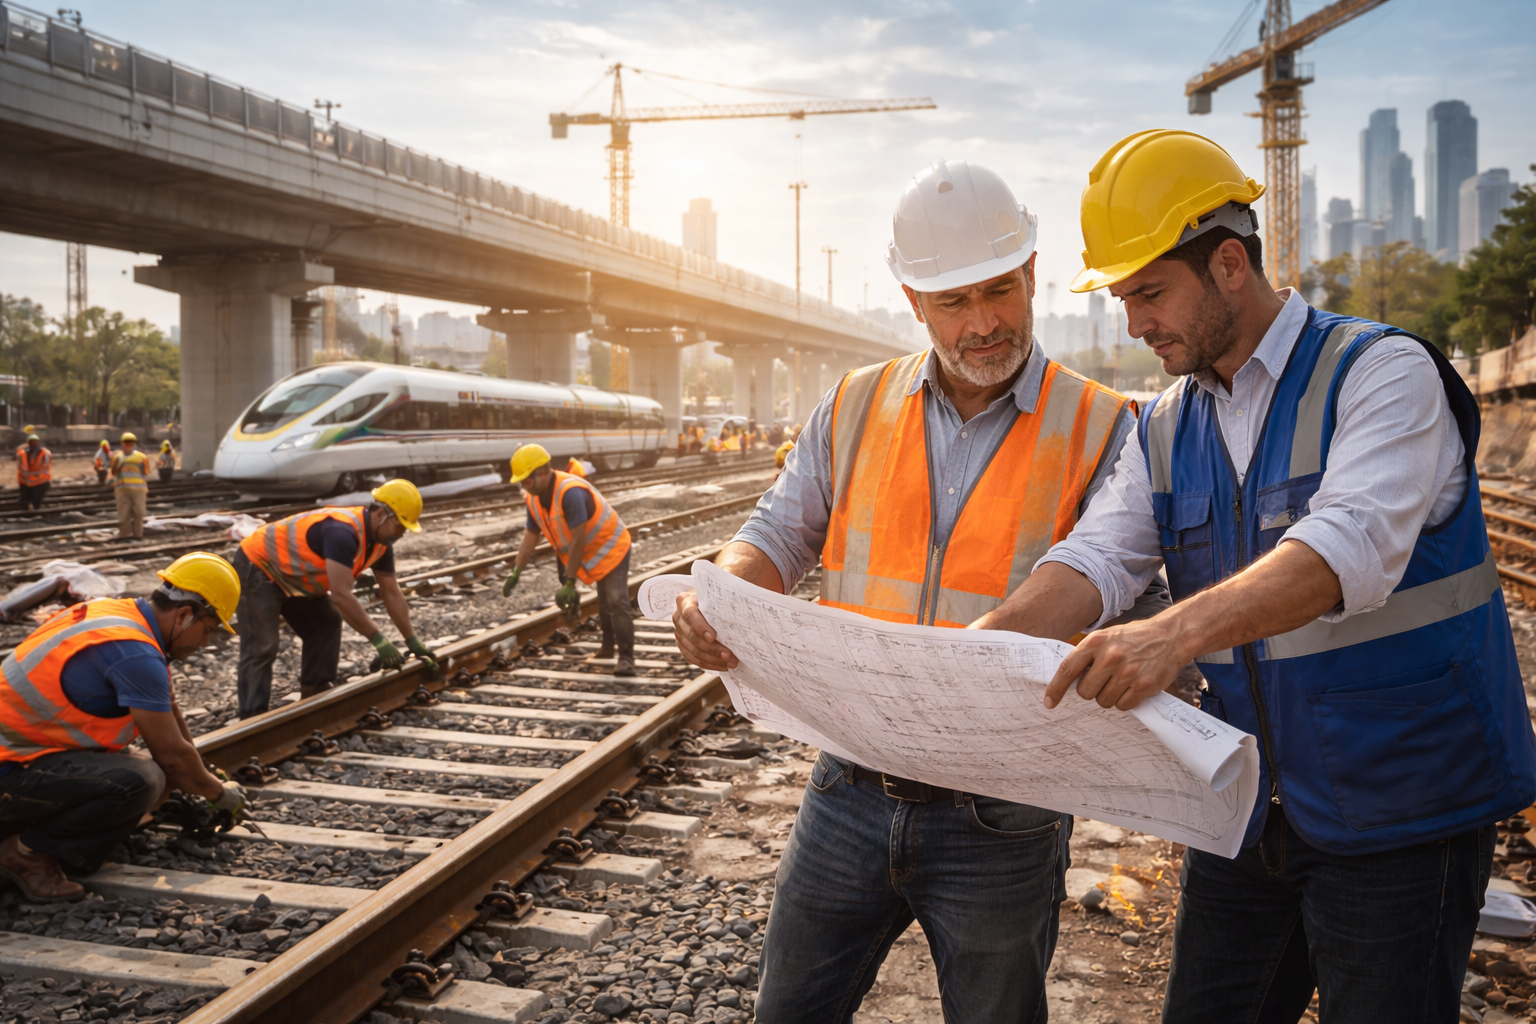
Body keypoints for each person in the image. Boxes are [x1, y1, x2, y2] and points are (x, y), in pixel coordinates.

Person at [985, 129, 1536, 1023]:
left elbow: (1345, 547)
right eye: (1123, 299)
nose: (1134, 323)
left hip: (1402, 807)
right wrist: (969, 652)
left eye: (1150, 293)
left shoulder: (1381, 374)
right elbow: (1097, 557)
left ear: (1230, 265)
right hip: (1249, 811)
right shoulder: (1167, 423)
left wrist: (1169, 636)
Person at [673, 160, 1144, 1023]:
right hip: (847, 789)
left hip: (1004, 811)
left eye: (999, 291)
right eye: (954, 301)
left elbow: (1118, 577)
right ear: (914, 301)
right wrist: (723, 596)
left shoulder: (1107, 426)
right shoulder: (854, 405)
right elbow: (776, 532)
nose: (984, 322)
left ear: (1032, 272)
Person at [0, 553, 246, 901]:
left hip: (21, 749)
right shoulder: (136, 655)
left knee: (145, 766)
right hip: (8, 766)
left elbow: (170, 714)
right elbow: (172, 757)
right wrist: (219, 794)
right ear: (184, 615)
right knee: (141, 780)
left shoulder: (116, 615)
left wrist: (203, 774)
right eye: (207, 630)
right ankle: (27, 855)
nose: (204, 643)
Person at [231, 479, 438, 718]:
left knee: (326, 621)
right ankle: (252, 718)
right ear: (381, 514)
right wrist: (379, 639)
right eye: (400, 526)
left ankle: (314, 695)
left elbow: (391, 592)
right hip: (259, 564)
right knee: (262, 645)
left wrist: (412, 640)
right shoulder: (342, 532)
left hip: (293, 574)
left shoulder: (381, 545)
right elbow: (341, 595)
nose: (401, 533)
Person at [502, 443, 636, 677]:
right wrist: (517, 571)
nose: (524, 487)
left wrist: (570, 582)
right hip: (593, 553)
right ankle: (607, 648)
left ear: (543, 472)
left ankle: (626, 658)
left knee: (616, 600)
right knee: (604, 601)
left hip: (612, 546)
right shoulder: (534, 499)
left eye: (527, 481)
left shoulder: (570, 492)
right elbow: (530, 536)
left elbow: (577, 541)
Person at [110, 432, 150, 540]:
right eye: (127, 442)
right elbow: (146, 473)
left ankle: (130, 534)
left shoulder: (118, 457)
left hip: (128, 489)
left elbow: (113, 472)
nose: (128, 444)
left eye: (129, 442)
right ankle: (133, 534)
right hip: (131, 489)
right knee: (133, 512)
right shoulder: (141, 457)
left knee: (129, 512)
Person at [15, 433, 50, 510]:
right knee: (27, 502)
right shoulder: (23, 453)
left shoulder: (45, 453)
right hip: (28, 482)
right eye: (31, 442)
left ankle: (33, 509)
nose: (33, 444)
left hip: (38, 482)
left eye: (34, 442)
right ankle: (30, 509)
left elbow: (45, 469)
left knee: (34, 501)